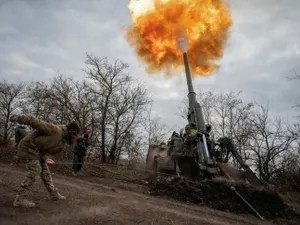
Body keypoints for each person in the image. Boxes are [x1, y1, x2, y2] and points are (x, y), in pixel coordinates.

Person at [9, 114, 80, 208]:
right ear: (71, 132)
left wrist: (46, 159)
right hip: (28, 147)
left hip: (37, 152)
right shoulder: (55, 130)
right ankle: (19, 199)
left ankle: (54, 195)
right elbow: (34, 121)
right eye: (75, 135)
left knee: (45, 172)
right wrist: (19, 118)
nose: (75, 138)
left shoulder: (62, 140)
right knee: (35, 171)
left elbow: (45, 146)